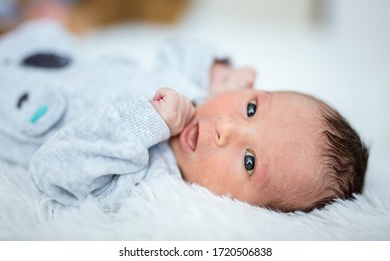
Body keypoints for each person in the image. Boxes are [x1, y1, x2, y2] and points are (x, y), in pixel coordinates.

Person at [0, 20, 368, 213]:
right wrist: (219, 70)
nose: (226, 127)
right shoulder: (201, 93)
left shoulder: (147, 182)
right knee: (43, 28)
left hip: (19, 105)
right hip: (52, 53)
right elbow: (174, 49)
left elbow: (53, 171)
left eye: (250, 161)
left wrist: (146, 121)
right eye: (251, 108)